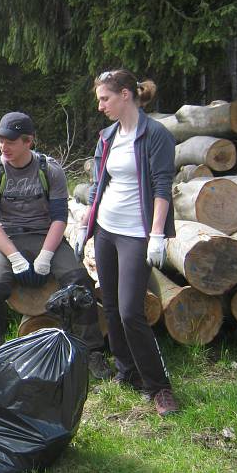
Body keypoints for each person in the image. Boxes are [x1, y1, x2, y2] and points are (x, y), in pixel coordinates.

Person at [75, 69, 179, 416]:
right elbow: (97, 184)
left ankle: (159, 386)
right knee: (113, 307)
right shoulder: (106, 137)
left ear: (125, 95)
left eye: (105, 98)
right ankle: (127, 372)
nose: (101, 105)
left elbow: (162, 187)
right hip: (106, 230)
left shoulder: (156, 135)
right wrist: (88, 224)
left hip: (137, 235)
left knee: (133, 311)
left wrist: (158, 234)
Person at [0, 111, 109, 377]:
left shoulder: (50, 169)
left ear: (29, 141)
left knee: (79, 279)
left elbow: (60, 217)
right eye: (1, 140)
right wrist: (15, 258)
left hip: (47, 235)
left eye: (11, 141)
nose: (4, 147)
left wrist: (46, 256)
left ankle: (91, 352)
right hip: (8, 240)